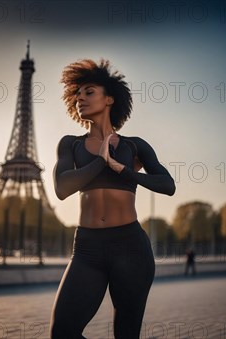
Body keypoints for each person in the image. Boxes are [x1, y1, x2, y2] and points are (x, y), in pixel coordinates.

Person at [50, 58, 176, 339]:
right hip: (87, 249)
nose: (80, 97)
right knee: (62, 333)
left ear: (109, 99)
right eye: (77, 93)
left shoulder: (135, 146)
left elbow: (168, 185)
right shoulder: (71, 144)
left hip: (131, 248)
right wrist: (101, 162)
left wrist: (124, 171)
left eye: (89, 91)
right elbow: (62, 188)